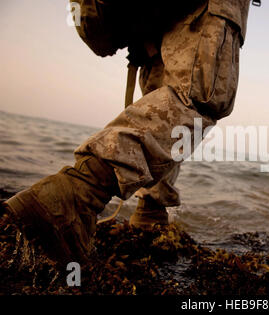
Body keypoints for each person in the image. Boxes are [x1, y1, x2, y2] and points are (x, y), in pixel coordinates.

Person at [3, 0, 253, 264]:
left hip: (154, 23)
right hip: (203, 7)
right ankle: (76, 195)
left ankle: (149, 213)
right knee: (199, 96)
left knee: (163, 100)